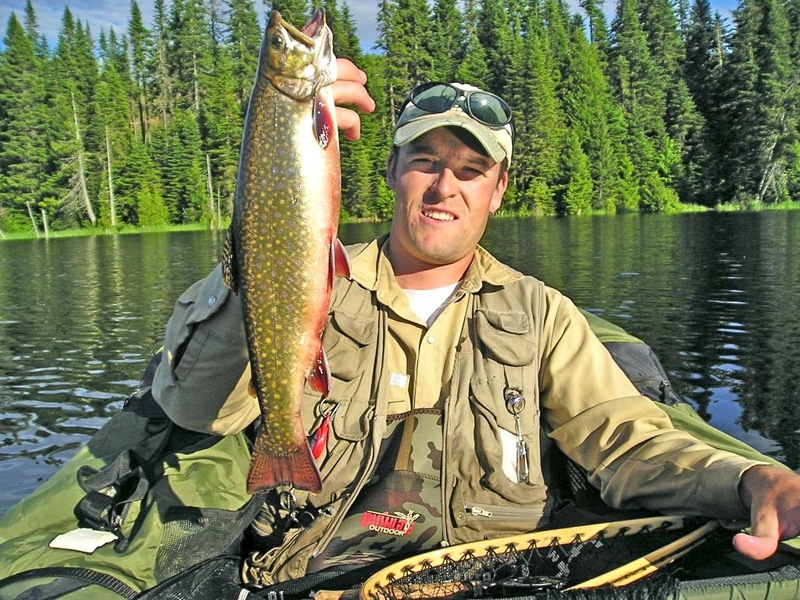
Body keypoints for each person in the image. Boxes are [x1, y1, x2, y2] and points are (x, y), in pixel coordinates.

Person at [151, 58, 800, 586]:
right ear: (392, 171)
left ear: (498, 189)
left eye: (471, 170)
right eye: (426, 161)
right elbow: (194, 406)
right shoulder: (308, 287)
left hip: (496, 581)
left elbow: (628, 444)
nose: (445, 187)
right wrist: (262, 237)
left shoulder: (541, 314)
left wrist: (748, 480)